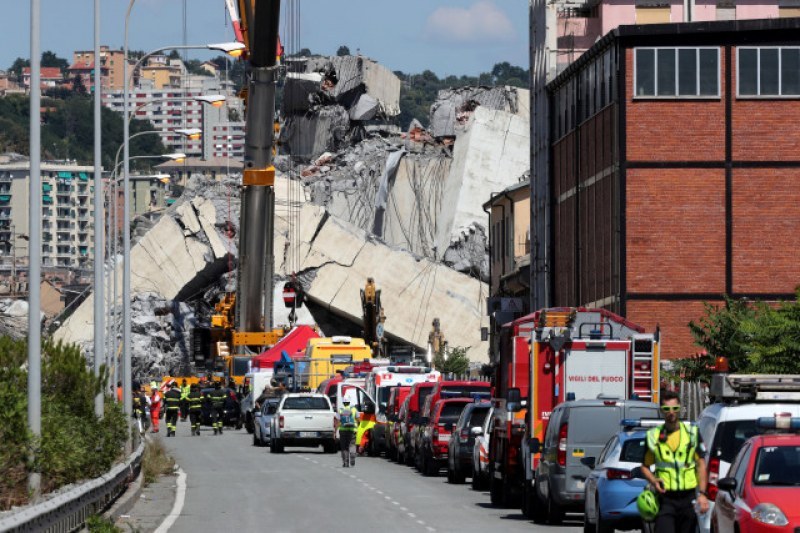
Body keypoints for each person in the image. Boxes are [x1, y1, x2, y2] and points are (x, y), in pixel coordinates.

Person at [639, 390, 709, 533]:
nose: (671, 412)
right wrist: (653, 480)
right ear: (662, 411)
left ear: (679, 409)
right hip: (665, 499)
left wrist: (702, 494)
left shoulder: (692, 433)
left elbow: (701, 465)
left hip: (688, 498)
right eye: (666, 409)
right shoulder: (653, 436)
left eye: (675, 408)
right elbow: (644, 467)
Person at [336, 398, 359, 467]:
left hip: (343, 430)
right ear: (349, 402)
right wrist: (356, 426)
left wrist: (335, 432)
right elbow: (358, 419)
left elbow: (337, 422)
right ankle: (352, 455)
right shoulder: (354, 409)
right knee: (352, 444)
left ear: (343, 403)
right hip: (352, 430)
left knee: (344, 447)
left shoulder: (340, 410)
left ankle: (345, 462)